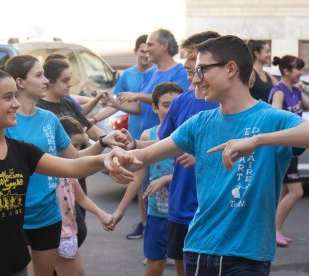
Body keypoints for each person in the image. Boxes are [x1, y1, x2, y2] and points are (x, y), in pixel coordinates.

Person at [107, 35, 309, 275]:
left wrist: (257, 140)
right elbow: (146, 155)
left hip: (246, 256)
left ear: (231, 69)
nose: (195, 78)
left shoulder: (270, 118)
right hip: (199, 249)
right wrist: (121, 156)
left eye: (202, 69)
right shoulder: (200, 122)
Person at [0, 67, 134, 276]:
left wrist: (106, 156)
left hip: (16, 267)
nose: (16, 104)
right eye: (8, 97)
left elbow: (73, 166)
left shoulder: (21, 150)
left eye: (15, 96)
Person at [2, 55, 129, 276]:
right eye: (39, 75)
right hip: (16, 217)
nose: (45, 81)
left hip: (49, 214)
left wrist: (102, 143)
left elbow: (74, 159)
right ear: (20, 82)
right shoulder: (5, 121)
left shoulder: (49, 119)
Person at [104, 29, 191, 239]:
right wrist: (116, 104)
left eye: (150, 44)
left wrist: (137, 95)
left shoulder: (180, 72)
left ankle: (175, 234)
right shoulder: (150, 73)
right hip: (144, 138)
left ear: (164, 46)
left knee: (173, 187)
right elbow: (141, 108)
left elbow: (175, 100)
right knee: (145, 184)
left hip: (170, 141)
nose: (147, 48)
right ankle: (146, 225)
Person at [157, 31, 220, 276]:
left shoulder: (227, 104)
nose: (186, 65)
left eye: (193, 58)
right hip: (181, 205)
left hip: (214, 208)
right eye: (187, 58)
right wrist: (128, 146)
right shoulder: (181, 102)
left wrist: (201, 157)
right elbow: (163, 145)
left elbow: (248, 156)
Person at [112, 82, 183, 276]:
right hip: (157, 213)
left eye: (176, 105)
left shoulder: (190, 134)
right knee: (153, 266)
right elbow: (138, 174)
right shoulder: (148, 134)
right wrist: (120, 210)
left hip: (184, 214)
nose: (171, 110)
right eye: (166, 105)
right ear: (154, 107)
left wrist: (167, 178)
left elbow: (197, 171)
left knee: (184, 267)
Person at [91, 34, 153, 239]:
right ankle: (145, 224)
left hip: (157, 137)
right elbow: (116, 104)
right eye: (142, 50)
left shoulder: (155, 74)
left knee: (160, 182)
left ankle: (161, 227)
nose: (146, 54)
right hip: (134, 136)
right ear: (135, 52)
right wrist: (93, 119)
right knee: (139, 180)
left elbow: (137, 102)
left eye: (148, 50)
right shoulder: (128, 75)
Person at [55, 116, 113, 276]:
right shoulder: (47, 171)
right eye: (74, 145)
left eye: (82, 145)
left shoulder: (68, 171)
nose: (78, 151)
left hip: (69, 234)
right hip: (54, 236)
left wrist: (102, 214)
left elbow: (82, 198)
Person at [268, 55, 309, 247]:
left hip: (294, 149)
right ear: (285, 71)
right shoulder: (279, 92)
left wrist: (303, 88)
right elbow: (274, 118)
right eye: (297, 69)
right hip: (283, 148)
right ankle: (274, 231)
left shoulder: (296, 91)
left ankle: (274, 229)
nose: (301, 72)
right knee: (296, 191)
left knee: (283, 192)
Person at [37, 58, 106, 141]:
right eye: (65, 81)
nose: (69, 84)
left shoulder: (68, 103)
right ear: (50, 81)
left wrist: (111, 140)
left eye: (70, 79)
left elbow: (90, 128)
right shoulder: (39, 108)